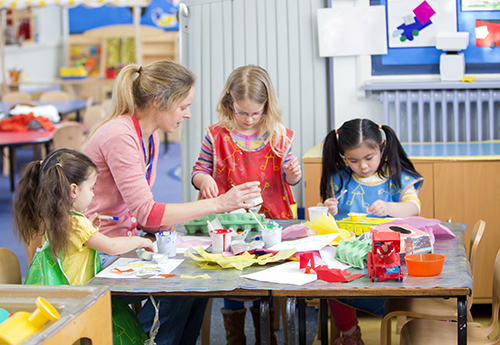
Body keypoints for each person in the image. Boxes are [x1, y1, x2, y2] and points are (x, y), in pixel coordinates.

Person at [83, 60, 261, 345]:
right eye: (183, 106)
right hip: (95, 251)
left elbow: (140, 211)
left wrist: (191, 228)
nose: (188, 114)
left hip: (123, 240)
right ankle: (142, 340)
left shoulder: (147, 136)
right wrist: (220, 204)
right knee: (183, 282)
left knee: (199, 279)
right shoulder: (120, 135)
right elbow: (147, 212)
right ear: (158, 102)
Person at [191, 65, 302, 344]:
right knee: (232, 275)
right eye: (242, 112)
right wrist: (203, 180)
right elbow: (199, 169)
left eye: (256, 112)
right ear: (230, 103)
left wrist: (294, 174)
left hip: (272, 219)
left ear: (267, 105)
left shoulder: (279, 135)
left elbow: (289, 178)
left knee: (267, 275)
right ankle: (235, 337)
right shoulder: (216, 135)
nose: (249, 118)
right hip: (230, 223)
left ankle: (268, 335)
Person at [13, 148, 154, 343]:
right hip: (76, 304)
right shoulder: (75, 223)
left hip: (57, 299)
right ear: (73, 190)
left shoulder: (52, 217)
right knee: (120, 319)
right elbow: (111, 246)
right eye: (91, 188)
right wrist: (143, 241)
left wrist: (90, 230)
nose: (93, 194)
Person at [320, 118, 423, 345]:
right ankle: (349, 334)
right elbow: (328, 221)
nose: (363, 167)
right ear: (343, 156)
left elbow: (414, 207)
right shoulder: (340, 179)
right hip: (350, 255)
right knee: (333, 280)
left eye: (369, 158)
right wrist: (328, 209)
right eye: (353, 160)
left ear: (382, 147)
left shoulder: (396, 176)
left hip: (390, 254)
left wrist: (389, 208)